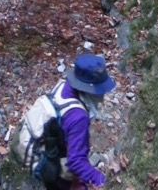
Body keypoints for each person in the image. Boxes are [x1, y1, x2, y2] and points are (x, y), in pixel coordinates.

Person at [44, 54, 116, 190]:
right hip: (52, 163)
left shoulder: (62, 85)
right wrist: (101, 180)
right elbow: (75, 162)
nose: (103, 95)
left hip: (48, 142)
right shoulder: (78, 117)